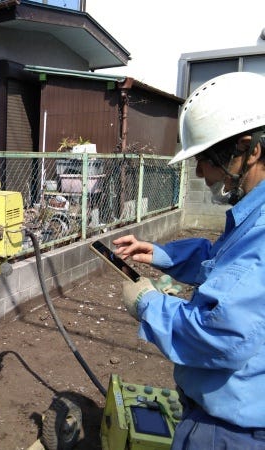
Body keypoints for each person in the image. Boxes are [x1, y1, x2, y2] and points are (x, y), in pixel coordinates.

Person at [113, 71, 265, 450]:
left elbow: (219, 335)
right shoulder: (253, 216)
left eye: (205, 159)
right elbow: (223, 264)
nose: (199, 173)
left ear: (249, 150)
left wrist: (148, 303)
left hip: (234, 432)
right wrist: (160, 254)